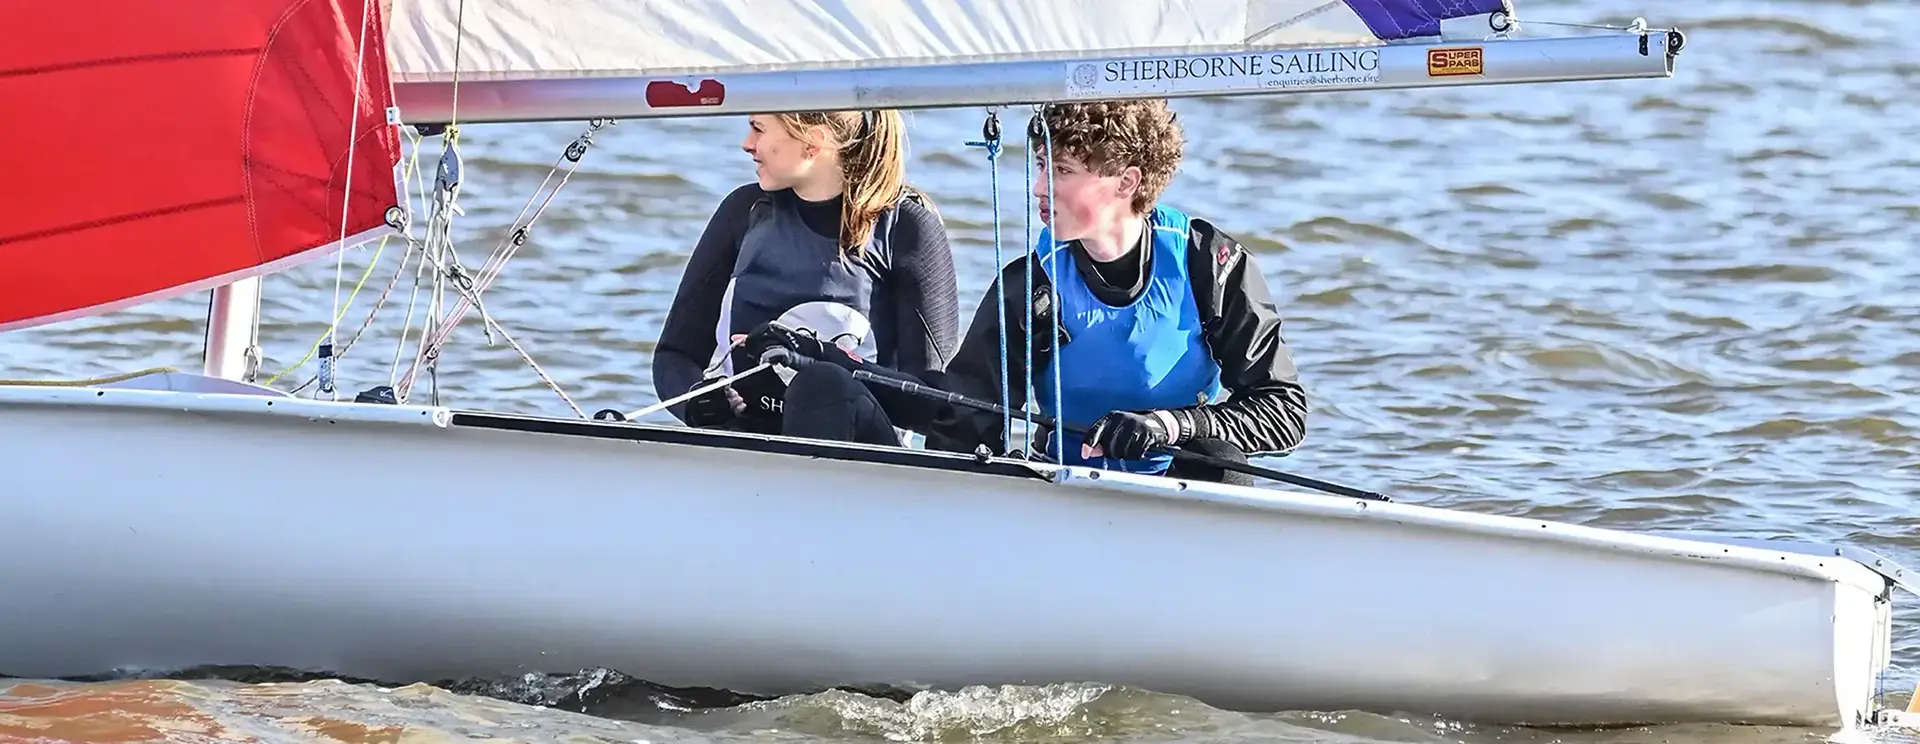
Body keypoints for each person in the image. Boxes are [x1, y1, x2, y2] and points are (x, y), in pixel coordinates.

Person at [743, 99, 1309, 484]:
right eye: (1039, 164)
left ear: (1127, 182)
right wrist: (836, 365)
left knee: (1219, 455)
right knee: (823, 385)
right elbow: (963, 416)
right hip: (1064, 495)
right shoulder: (1031, 285)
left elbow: (1284, 410)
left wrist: (1172, 425)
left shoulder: (1210, 266)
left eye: (1062, 169)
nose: (1039, 186)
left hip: (1176, 492)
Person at [651, 109, 961, 437]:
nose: (747, 144)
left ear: (813, 143)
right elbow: (674, 356)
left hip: (862, 462)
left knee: (822, 384)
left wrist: (818, 356)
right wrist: (697, 403)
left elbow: (934, 406)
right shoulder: (744, 211)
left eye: (758, 128)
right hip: (749, 450)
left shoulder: (907, 226)